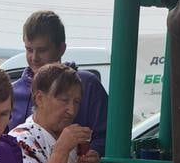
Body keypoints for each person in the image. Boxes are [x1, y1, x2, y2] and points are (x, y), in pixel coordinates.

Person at [8, 10, 109, 155]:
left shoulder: (88, 85)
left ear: (61, 49)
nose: (34, 57)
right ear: (39, 98)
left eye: (42, 50)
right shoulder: (12, 93)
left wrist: (87, 156)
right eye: (29, 49)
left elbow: (106, 139)